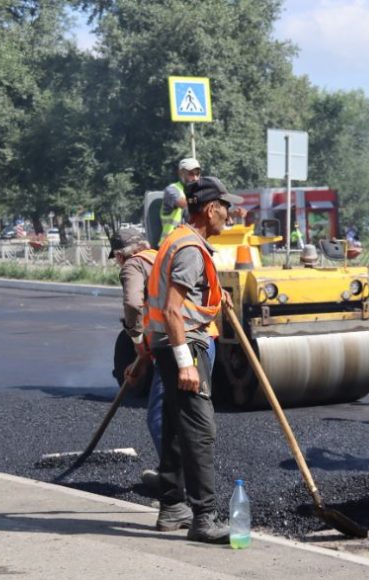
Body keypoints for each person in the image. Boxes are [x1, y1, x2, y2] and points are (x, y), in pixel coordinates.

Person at [145, 176, 241, 544]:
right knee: (200, 431)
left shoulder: (180, 240)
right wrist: (186, 362)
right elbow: (172, 310)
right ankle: (204, 516)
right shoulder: (189, 248)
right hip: (183, 347)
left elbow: (185, 299)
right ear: (210, 208)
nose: (229, 214)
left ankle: (172, 507)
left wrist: (216, 302)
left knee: (174, 424)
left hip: (168, 346)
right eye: (225, 207)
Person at [109, 227, 163, 490]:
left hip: (169, 346)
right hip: (199, 341)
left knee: (158, 416)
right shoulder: (164, 257)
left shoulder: (133, 265)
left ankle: (174, 478)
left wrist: (138, 343)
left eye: (117, 257)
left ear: (121, 254)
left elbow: (133, 305)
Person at [159, 158, 202, 246]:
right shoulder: (172, 190)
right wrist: (202, 198)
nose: (195, 178)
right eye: (191, 174)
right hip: (169, 243)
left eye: (197, 174)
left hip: (189, 241)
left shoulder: (198, 193)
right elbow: (182, 203)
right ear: (181, 173)